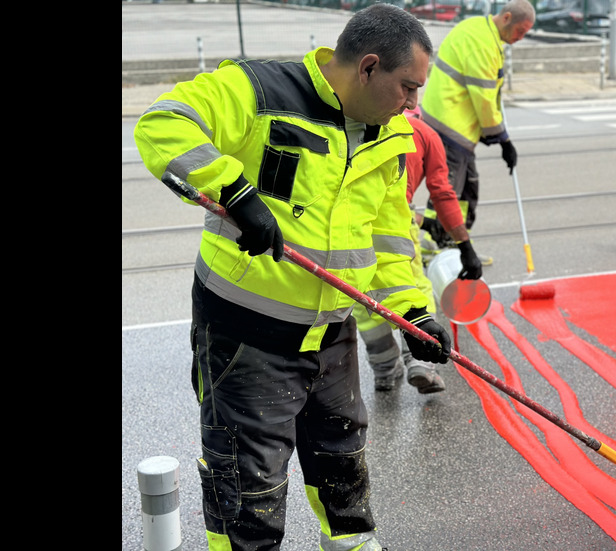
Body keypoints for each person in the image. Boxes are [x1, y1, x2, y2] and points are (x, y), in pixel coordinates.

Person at [132, 5, 451, 550]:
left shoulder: (389, 133)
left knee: (342, 465)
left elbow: (390, 237)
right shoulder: (256, 89)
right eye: (408, 87)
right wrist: (232, 190)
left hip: (331, 334)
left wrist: (414, 312)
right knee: (247, 488)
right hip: (246, 335)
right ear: (368, 67)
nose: (414, 104)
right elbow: (163, 122)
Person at [353, 109, 483, 394]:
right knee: (415, 287)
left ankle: (385, 369)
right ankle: (420, 363)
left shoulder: (360, 121)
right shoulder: (425, 134)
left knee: (362, 296)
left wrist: (426, 221)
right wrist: (465, 245)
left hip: (354, 223)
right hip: (395, 225)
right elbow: (441, 193)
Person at [419, 0, 536, 255]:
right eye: (520, 31)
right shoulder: (482, 43)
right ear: (506, 18)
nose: (521, 37)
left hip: (455, 125)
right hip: (449, 127)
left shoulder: (482, 31)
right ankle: (434, 246)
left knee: (466, 189)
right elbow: (483, 99)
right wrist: (502, 139)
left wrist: (492, 134)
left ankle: (456, 245)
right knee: (447, 191)